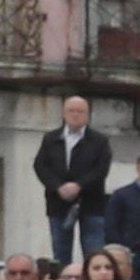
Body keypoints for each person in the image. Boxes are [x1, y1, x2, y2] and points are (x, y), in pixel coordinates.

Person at [31, 95, 108, 265]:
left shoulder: (99, 141)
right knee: (60, 250)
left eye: (80, 111)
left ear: (88, 115)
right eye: (71, 111)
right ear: (64, 114)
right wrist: (58, 186)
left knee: (94, 251)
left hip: (91, 204)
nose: (75, 115)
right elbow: (40, 166)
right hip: (58, 203)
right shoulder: (51, 139)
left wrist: (79, 186)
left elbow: (101, 169)